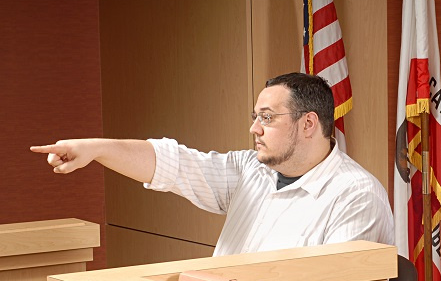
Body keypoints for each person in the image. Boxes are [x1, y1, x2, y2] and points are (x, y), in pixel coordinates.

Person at [31, 72, 394, 255]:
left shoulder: (356, 196)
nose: (254, 128)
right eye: (255, 116)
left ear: (309, 124)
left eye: (267, 117)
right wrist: (95, 149)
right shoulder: (250, 169)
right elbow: (172, 165)